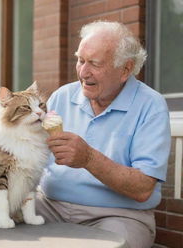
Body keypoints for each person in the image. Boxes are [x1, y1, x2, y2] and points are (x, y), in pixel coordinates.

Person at [36, 21, 171, 248]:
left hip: (117, 215)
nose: (83, 72)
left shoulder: (151, 105)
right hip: (49, 206)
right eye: (80, 60)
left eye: (94, 64)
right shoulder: (61, 97)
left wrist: (88, 158)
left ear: (125, 69)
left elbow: (143, 188)